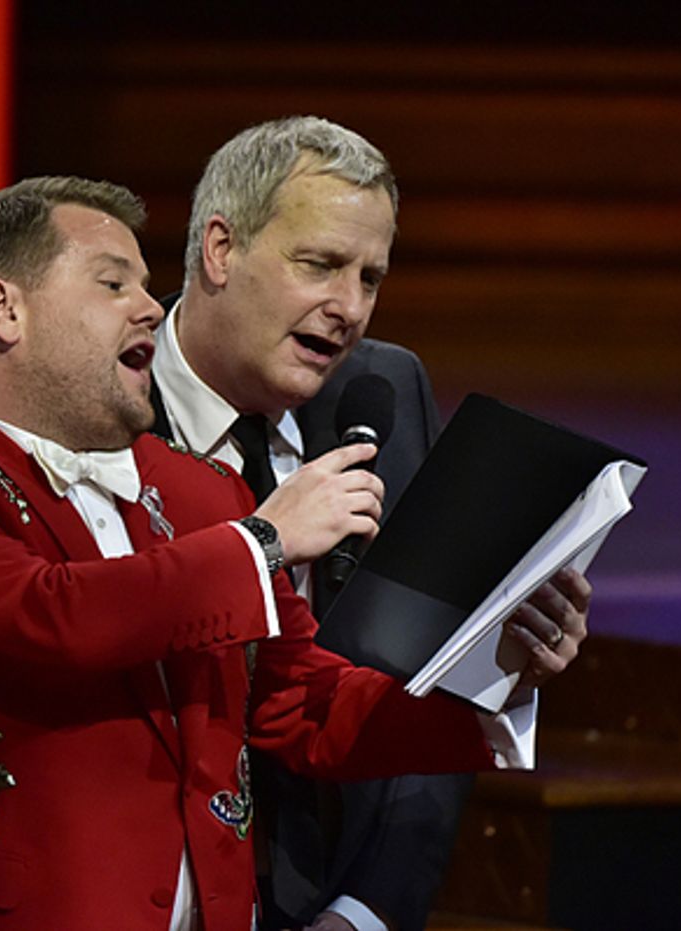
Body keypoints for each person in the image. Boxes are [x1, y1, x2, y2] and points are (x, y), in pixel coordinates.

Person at [0, 175, 588, 931]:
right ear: (5, 309)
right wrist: (267, 540)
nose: (151, 307)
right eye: (113, 285)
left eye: (147, 284)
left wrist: (497, 659)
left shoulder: (203, 494)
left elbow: (305, 704)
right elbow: (51, 615)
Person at [152, 116, 590, 931]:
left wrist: (503, 665)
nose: (348, 308)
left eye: (370, 276)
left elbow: (415, 674)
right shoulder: (104, 400)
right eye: (319, 265)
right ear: (220, 249)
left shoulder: (383, 390)